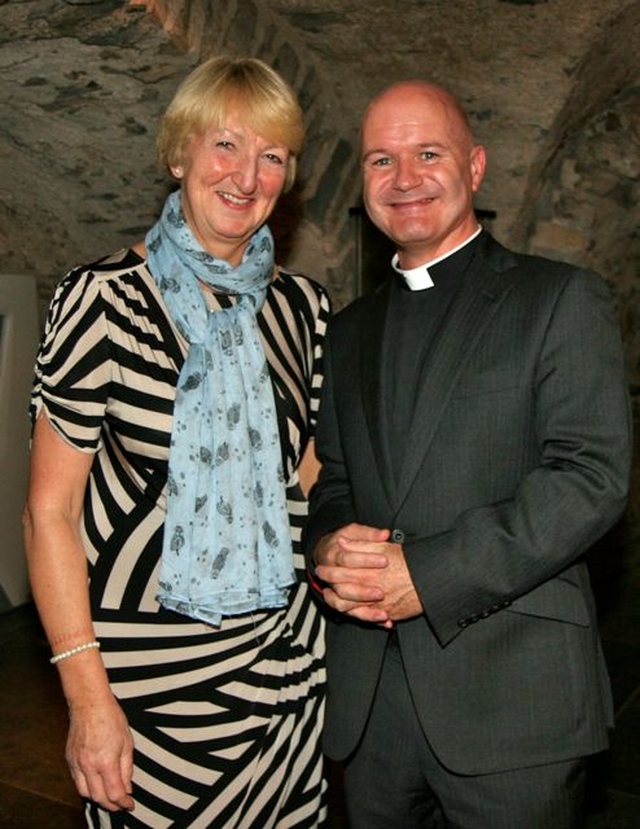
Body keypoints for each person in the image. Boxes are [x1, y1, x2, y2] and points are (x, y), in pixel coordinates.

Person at [305, 79, 631, 829]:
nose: (405, 179)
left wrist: (428, 573)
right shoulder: (348, 330)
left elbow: (591, 477)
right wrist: (328, 543)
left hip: (512, 699)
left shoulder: (558, 298)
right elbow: (338, 479)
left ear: (475, 167)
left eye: (428, 153)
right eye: (381, 161)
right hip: (373, 707)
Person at [23, 56, 330, 828]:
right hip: (147, 687)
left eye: (271, 156)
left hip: (285, 672)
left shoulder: (303, 310)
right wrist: (86, 696)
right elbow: (48, 514)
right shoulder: (100, 301)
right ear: (178, 153)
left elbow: (311, 481)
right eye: (225, 145)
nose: (246, 175)